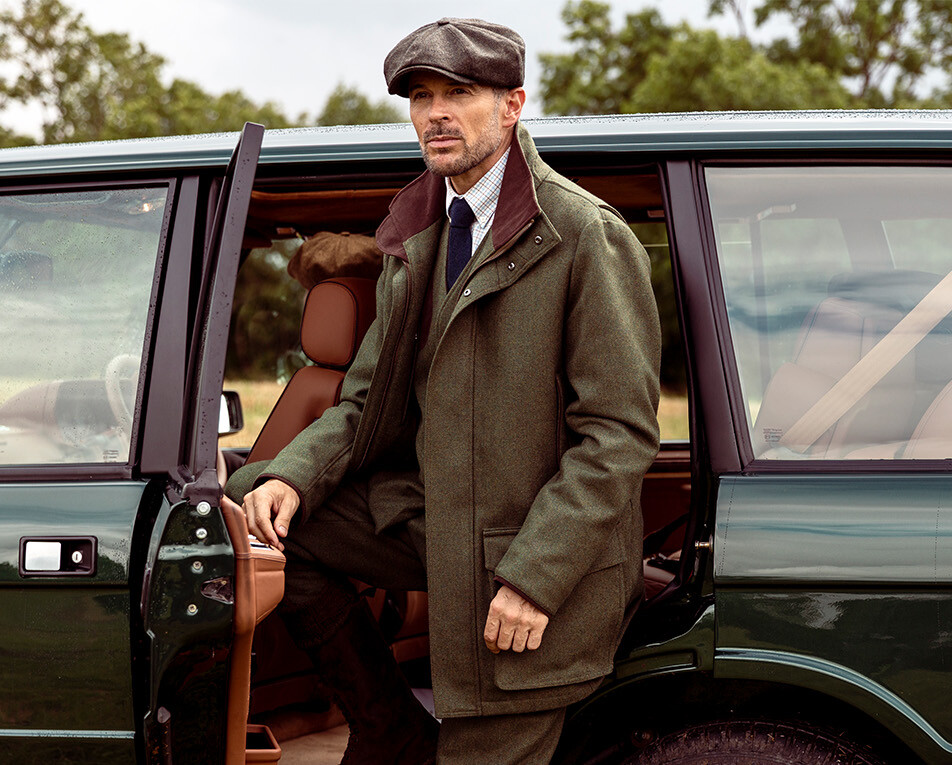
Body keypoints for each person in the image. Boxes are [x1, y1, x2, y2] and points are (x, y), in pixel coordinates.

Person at [223, 17, 661, 765]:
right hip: (438, 518)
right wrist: (289, 476)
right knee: (252, 510)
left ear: (513, 106)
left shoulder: (584, 233)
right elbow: (364, 401)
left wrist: (536, 578)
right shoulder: (416, 232)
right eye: (422, 98)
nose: (436, 114)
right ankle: (388, 725)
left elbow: (618, 435)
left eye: (459, 94)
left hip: (528, 551)